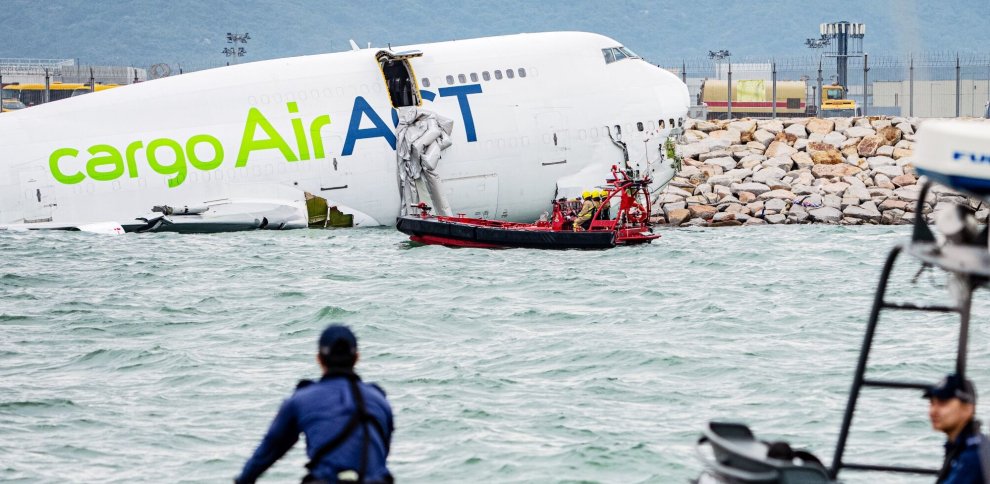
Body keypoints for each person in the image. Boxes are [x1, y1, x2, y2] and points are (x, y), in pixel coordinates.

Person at [236, 325, 393, 484]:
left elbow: (267, 452)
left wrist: (243, 480)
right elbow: (381, 453)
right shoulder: (379, 401)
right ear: (357, 357)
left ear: (319, 358)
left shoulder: (301, 399)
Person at [924, 373, 986, 483]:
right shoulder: (969, 445)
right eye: (932, 403)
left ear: (968, 409)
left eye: (943, 403)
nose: (933, 411)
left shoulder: (972, 457)